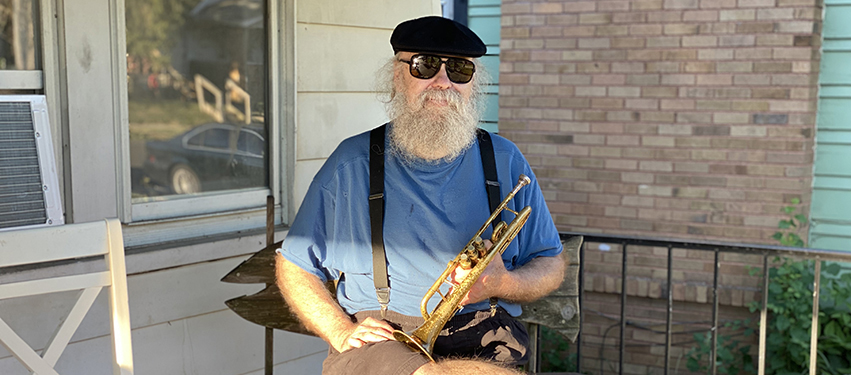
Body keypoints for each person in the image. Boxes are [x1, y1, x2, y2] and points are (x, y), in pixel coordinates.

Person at [275, 16, 565, 375]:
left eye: (459, 70)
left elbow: (550, 263)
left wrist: (504, 282)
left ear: (474, 84)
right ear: (397, 77)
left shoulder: (505, 160)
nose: (442, 82)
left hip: (483, 333)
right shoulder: (352, 163)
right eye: (425, 66)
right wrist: (339, 330)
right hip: (384, 338)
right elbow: (294, 264)